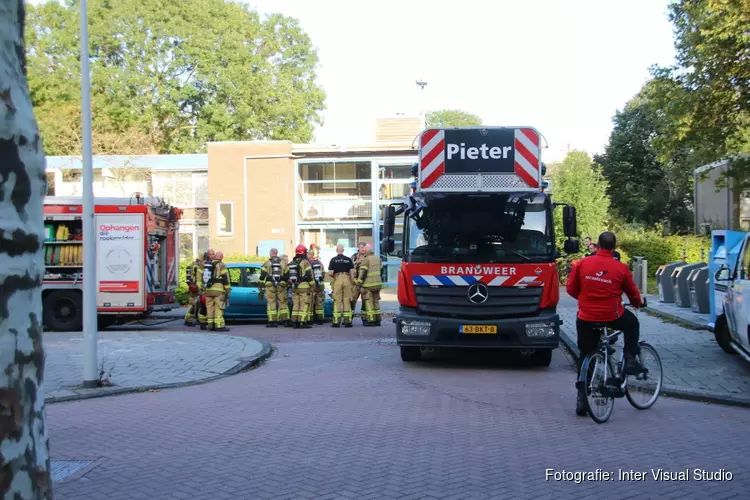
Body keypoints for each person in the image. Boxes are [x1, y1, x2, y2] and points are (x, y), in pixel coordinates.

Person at [566, 231, 645, 417]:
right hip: (612, 315)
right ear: (614, 248)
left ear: (598, 246)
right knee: (632, 323)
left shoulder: (582, 263)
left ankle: (582, 401)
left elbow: (570, 288)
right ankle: (630, 359)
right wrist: (638, 303)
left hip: (585, 316)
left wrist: (585, 299)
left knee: (586, 353)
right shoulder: (620, 268)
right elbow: (632, 293)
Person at [258, 248, 288, 328]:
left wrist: (260, 287)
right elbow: (287, 275)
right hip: (281, 285)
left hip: (270, 285)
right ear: (277, 253)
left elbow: (262, 276)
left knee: (271, 302)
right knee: (282, 302)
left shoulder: (267, 263)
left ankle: (272, 321)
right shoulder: (283, 263)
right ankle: (285, 320)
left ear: (271, 253)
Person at [355, 243, 383, 327]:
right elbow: (381, 271)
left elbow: (362, 273)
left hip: (368, 285)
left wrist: (359, 282)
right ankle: (378, 320)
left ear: (366, 251)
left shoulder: (366, 259)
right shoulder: (378, 259)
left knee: (368, 302)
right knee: (376, 302)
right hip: (377, 284)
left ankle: (371, 320)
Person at [287, 244, 314, 328]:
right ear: (304, 252)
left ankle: (294, 321)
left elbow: (286, 275)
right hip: (304, 287)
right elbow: (309, 275)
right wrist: (313, 285)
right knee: (304, 304)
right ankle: (302, 321)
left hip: (295, 287)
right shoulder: (305, 262)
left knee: (296, 304)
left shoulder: (292, 262)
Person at [204, 249, 231, 332]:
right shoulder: (221, 265)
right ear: (222, 257)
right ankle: (219, 326)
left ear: (215, 256)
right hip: (218, 290)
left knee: (209, 308)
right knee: (219, 307)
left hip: (208, 290)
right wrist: (227, 290)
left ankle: (210, 325)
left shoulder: (208, 264)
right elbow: (225, 278)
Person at [328, 245, 354, 327]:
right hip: (347, 278)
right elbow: (352, 273)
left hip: (337, 278)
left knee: (337, 300)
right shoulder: (348, 259)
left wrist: (335, 277)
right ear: (343, 250)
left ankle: (336, 322)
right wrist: (351, 281)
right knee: (347, 299)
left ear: (336, 250)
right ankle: (348, 322)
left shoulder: (333, 260)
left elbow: (330, 273)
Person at [308, 250, 326, 325]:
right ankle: (320, 319)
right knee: (320, 302)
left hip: (312, 285)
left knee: (311, 302)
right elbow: (323, 273)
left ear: (309, 255)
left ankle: (310, 319)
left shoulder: (307, 263)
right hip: (320, 285)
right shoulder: (319, 262)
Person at [184, 255, 203, 326]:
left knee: (193, 304)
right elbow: (197, 277)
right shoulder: (197, 266)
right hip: (196, 288)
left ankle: (188, 319)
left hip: (192, 287)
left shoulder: (192, 265)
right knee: (194, 304)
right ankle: (188, 320)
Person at [350, 242, 367, 314]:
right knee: (352, 301)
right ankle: (349, 318)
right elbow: (349, 268)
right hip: (355, 283)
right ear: (358, 248)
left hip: (365, 283)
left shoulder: (368, 257)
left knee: (365, 301)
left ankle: (364, 319)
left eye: (364, 247)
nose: (363, 249)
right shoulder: (353, 257)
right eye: (361, 247)